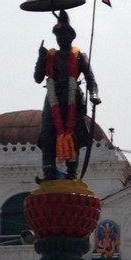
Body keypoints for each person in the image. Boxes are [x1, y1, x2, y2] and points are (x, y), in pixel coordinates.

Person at [33, 10, 99, 182]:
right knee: (47, 134)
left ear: (71, 37)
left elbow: (90, 78)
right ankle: (49, 173)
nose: (61, 39)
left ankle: (71, 174)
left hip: (72, 98)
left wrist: (94, 94)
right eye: (58, 36)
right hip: (53, 97)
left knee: (73, 135)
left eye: (64, 35)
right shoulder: (50, 56)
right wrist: (40, 58)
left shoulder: (79, 56)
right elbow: (38, 78)